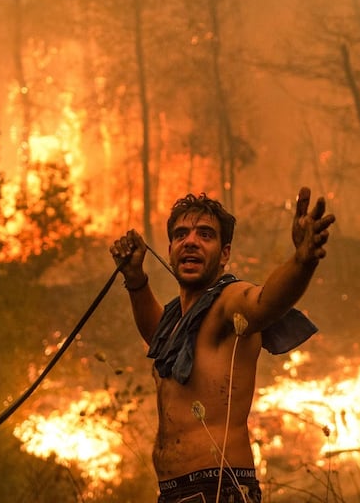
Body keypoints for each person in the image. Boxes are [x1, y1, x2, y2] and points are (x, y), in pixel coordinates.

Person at [110, 187, 335, 503]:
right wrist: (135, 279)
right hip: (174, 492)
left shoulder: (228, 302)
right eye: (181, 234)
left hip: (219, 488)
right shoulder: (175, 322)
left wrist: (303, 259)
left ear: (225, 253)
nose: (191, 241)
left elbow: (264, 303)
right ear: (172, 248)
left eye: (205, 235)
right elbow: (157, 337)